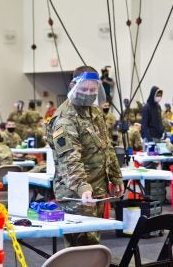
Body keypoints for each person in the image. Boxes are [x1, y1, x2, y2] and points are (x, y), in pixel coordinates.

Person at [46, 65, 124, 247]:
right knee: (82, 247)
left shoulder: (95, 112)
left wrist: (116, 176)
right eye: (84, 89)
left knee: (93, 242)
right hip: (76, 192)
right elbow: (69, 158)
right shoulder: (65, 118)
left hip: (96, 189)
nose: (88, 94)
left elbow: (107, 147)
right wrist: (82, 187)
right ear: (73, 85)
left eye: (92, 90)